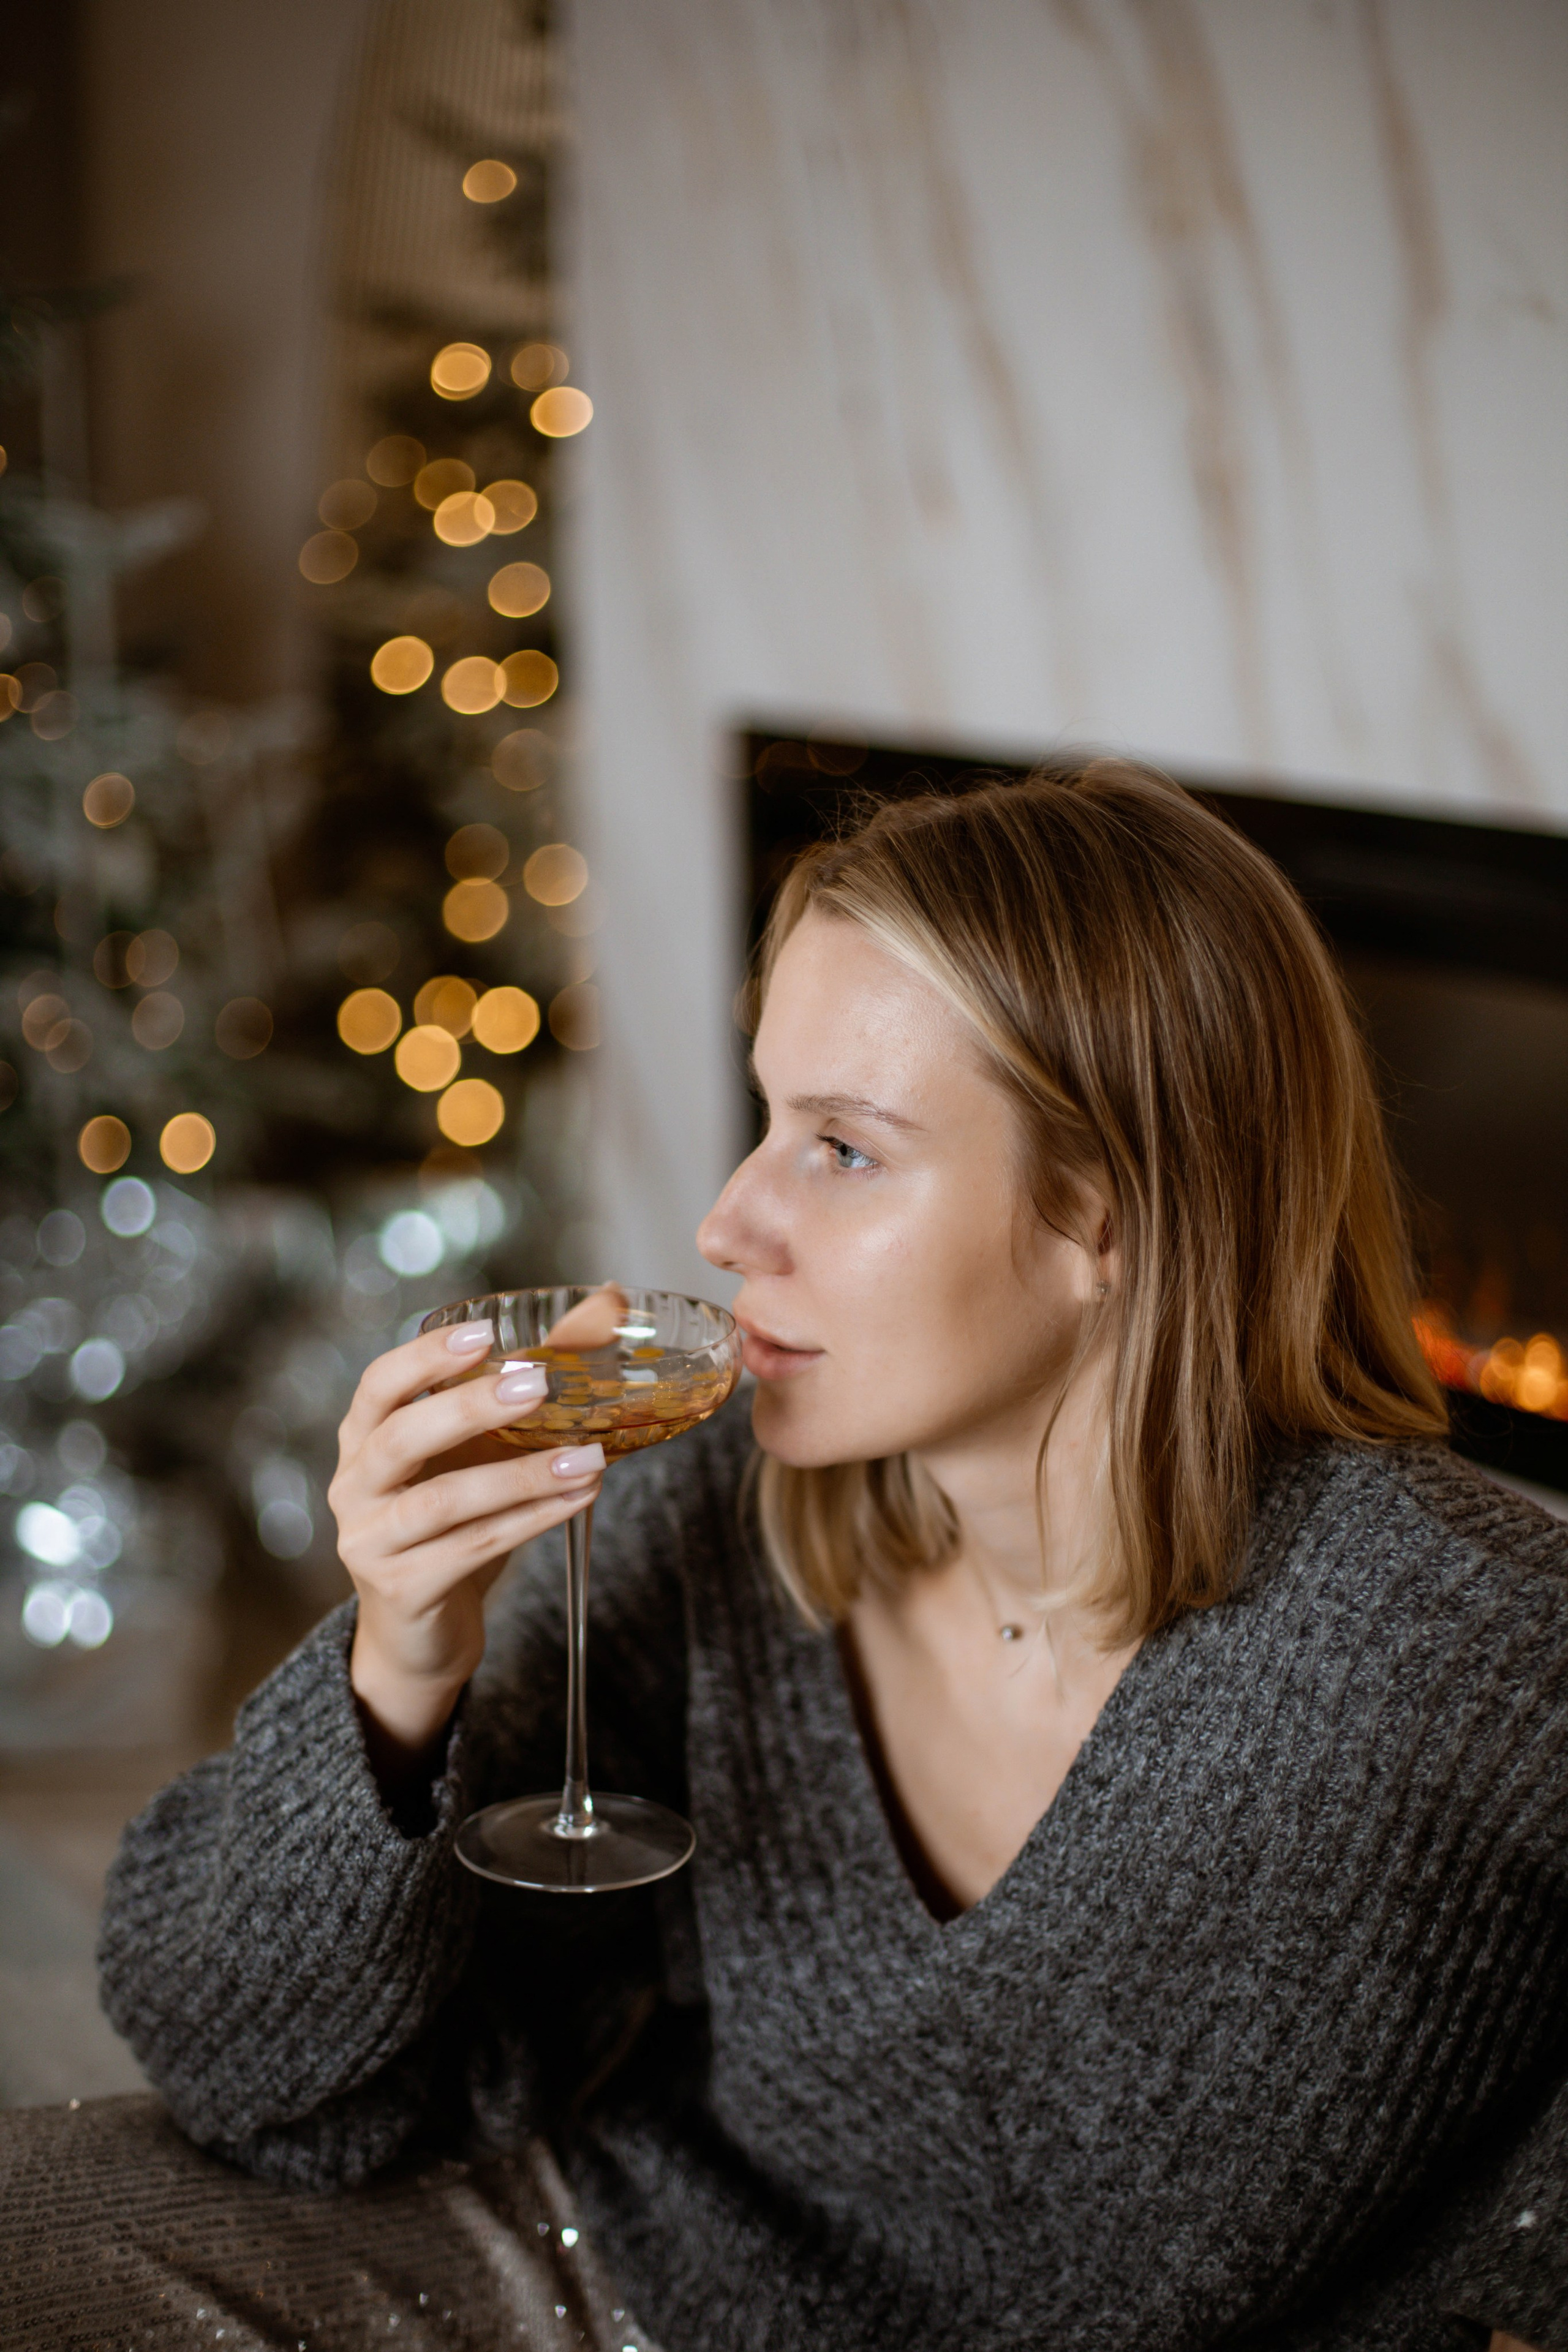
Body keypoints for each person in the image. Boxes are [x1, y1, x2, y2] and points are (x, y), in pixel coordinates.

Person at [82, 763, 1564, 2351]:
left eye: (844, 1151)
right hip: (617, 2274)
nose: (725, 1225)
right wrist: (402, 1669)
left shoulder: (1468, 1650)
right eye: (767, 1119)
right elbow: (254, 2082)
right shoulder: (707, 1516)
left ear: (1110, 1210)